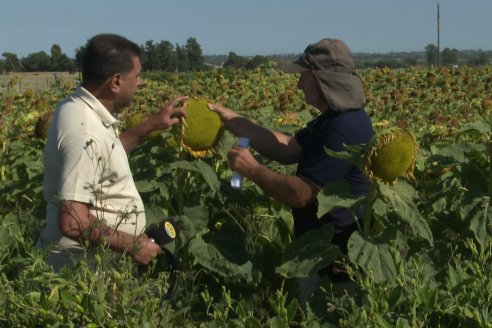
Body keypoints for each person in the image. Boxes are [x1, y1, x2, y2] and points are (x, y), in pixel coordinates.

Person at [208, 38, 374, 304]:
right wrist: (234, 121)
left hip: (337, 270)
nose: (298, 84)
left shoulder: (344, 128)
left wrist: (251, 169)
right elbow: (287, 148)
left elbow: (299, 193)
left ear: (322, 79)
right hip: (320, 256)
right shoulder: (332, 118)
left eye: (304, 77)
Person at [36, 33, 187, 271]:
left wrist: (152, 124)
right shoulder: (86, 134)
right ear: (116, 82)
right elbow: (73, 220)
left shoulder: (75, 106)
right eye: (136, 76)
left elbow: (105, 155)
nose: (140, 83)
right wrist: (133, 245)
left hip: (91, 269)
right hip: (79, 277)